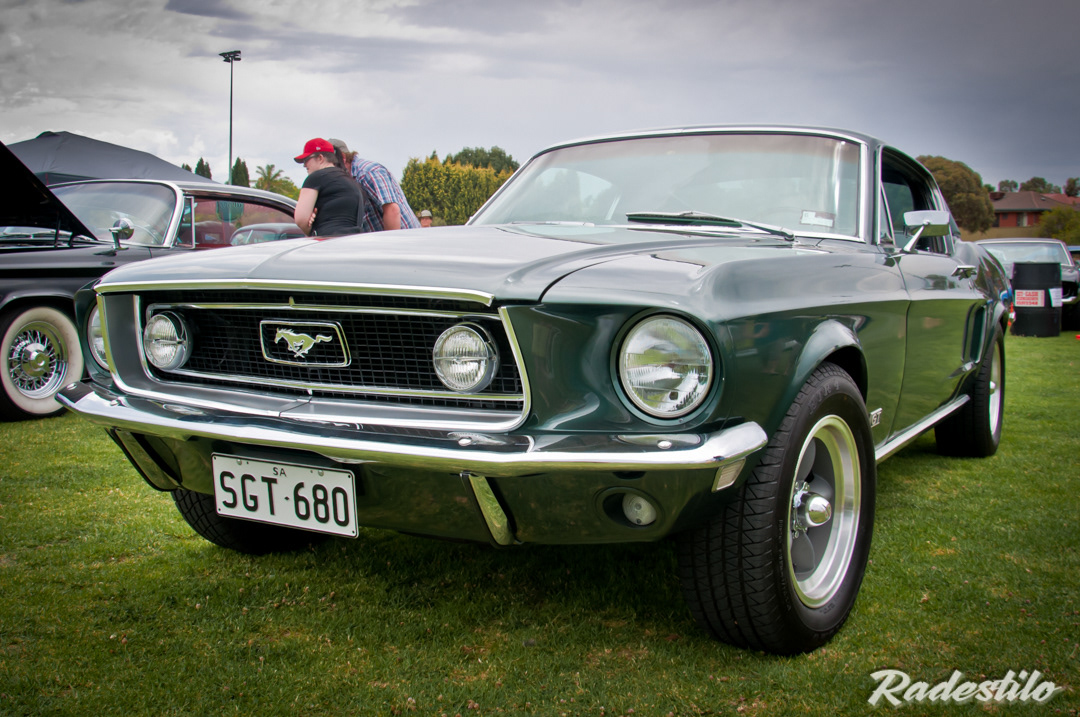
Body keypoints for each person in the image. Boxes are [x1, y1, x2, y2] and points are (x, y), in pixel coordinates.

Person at [328, 138, 420, 231]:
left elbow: (392, 211)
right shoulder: (346, 181)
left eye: (329, 165)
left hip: (405, 238)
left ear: (343, 158)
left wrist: (391, 240)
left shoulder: (368, 172)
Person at [293, 138, 365, 237]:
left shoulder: (316, 177)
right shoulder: (350, 181)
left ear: (320, 158)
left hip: (326, 240)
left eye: (306, 159)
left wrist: (309, 229)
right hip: (351, 240)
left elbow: (301, 220)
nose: (304, 165)